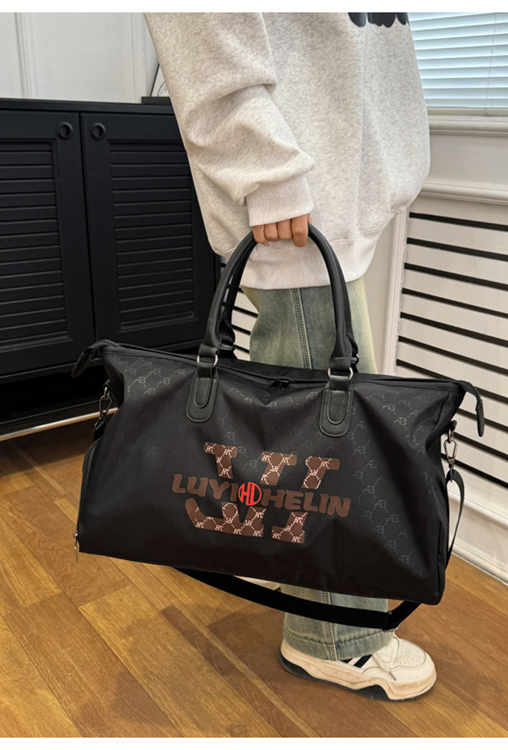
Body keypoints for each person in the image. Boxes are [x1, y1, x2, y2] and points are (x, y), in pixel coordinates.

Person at [144, 12, 434, 701]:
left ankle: (288, 564)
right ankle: (332, 638)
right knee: (332, 444)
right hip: (298, 194)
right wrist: (264, 168)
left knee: (323, 424)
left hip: (327, 182)